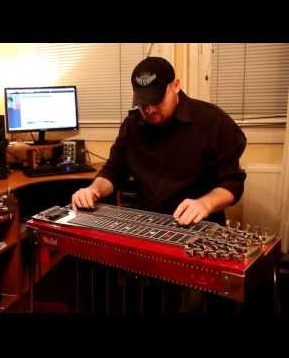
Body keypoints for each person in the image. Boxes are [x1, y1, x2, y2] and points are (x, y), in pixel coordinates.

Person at [71, 56, 247, 314]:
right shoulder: (133, 123)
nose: (150, 110)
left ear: (175, 85)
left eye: (156, 101)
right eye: (143, 104)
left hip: (198, 231)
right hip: (147, 229)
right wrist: (94, 189)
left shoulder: (212, 121)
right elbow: (114, 170)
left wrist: (205, 203)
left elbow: (233, 182)